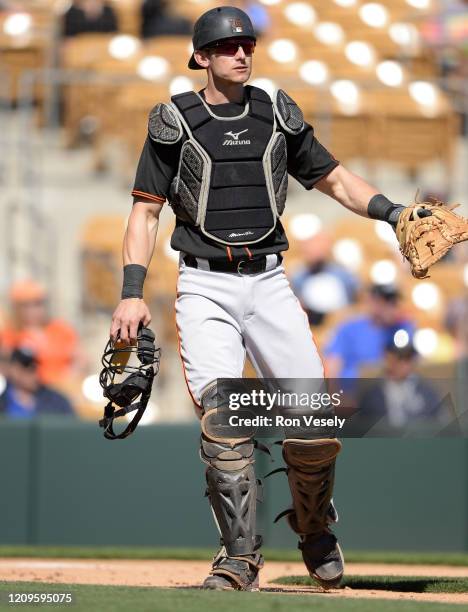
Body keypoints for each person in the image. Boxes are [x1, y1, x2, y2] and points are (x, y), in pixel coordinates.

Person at [110, 6, 428, 591]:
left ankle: (312, 527)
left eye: (247, 44)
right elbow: (145, 211)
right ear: (201, 57)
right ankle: (238, 559)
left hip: (269, 280)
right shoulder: (174, 122)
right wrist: (132, 292)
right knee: (225, 418)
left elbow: (334, 178)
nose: (241, 52)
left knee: (313, 424)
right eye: (228, 46)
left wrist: (394, 212)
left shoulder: (276, 114)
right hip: (205, 283)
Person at [0, 280, 82, 386]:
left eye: (37, 304)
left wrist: (69, 376)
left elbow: (80, 359)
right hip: (29, 390)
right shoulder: (10, 334)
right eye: (26, 306)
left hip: (63, 387)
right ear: (17, 308)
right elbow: (6, 365)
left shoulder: (60, 329)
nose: (32, 310)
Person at [324, 284, 415, 380]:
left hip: (388, 388)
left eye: (393, 303)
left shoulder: (403, 329)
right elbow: (333, 364)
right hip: (353, 387)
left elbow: (411, 365)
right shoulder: (349, 328)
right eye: (385, 301)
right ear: (371, 302)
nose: (390, 307)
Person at [357, 339, 444, 432]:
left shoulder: (427, 392)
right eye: (398, 358)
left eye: (407, 358)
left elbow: (441, 423)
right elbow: (362, 428)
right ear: (387, 359)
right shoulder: (372, 396)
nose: (403, 364)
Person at [290, 231, 359, 326]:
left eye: (318, 246)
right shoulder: (298, 277)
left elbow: (356, 302)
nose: (315, 251)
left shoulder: (343, 275)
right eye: (310, 247)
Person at [0, 347, 75, 418]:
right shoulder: (3, 400)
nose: (33, 372)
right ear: (13, 369)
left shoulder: (56, 401)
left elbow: (72, 426)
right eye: (27, 367)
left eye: (35, 367)